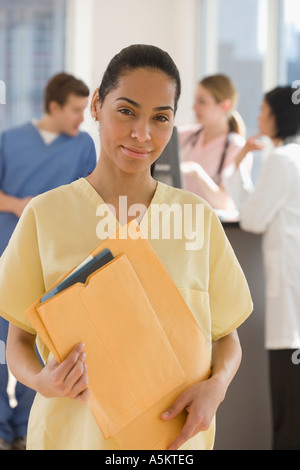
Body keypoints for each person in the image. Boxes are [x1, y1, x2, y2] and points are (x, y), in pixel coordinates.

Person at [0, 45, 252, 450]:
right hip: (73, 436)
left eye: (160, 118)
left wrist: (217, 386)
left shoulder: (196, 218)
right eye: (126, 111)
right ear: (97, 105)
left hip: (172, 442)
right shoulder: (45, 216)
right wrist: (41, 381)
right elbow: (17, 343)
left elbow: (227, 337)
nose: (142, 134)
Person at [0, 72, 97, 450]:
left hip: (58, 260)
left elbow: (91, 196)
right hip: (9, 248)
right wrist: (19, 205)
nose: (82, 118)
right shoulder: (10, 141)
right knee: (6, 344)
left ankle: (26, 427)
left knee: (42, 344)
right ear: (53, 107)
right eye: (75, 109)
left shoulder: (84, 146)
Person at [224, 86, 300, 450]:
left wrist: (239, 166)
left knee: (289, 411)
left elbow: (252, 218)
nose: (258, 117)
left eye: (264, 110)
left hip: (291, 309)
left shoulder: (284, 159)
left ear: (280, 116)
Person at [178, 74, 252, 211]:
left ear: (225, 105)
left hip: (210, 228)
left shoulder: (237, 148)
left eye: (202, 102)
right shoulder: (183, 136)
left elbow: (227, 204)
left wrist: (196, 171)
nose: (194, 107)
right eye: (195, 100)